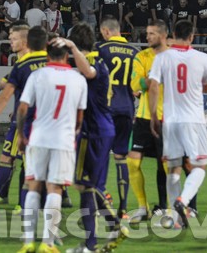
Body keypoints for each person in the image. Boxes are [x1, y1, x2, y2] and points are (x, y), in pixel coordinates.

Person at [58, 23, 125, 253]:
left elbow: (88, 72)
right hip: (101, 129)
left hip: (93, 131)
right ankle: (92, 242)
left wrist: (71, 47)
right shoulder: (93, 62)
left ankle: (110, 227)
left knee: (84, 185)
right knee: (89, 185)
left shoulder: (92, 62)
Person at [16, 36, 87, 253]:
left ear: (47, 55)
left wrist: (21, 135)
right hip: (63, 139)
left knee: (33, 185)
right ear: (67, 56)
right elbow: (80, 117)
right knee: (55, 188)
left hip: (38, 137)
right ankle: (47, 243)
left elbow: (22, 108)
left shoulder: (37, 75)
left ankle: (28, 241)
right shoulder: (78, 79)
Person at [0, 25, 48, 212]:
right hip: (46, 122)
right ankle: (3, 200)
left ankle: (16, 203)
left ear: (25, 41)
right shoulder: (49, 61)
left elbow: (4, 94)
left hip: (24, 121)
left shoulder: (23, 65)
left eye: (13, 39)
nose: (10, 42)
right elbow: (3, 84)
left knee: (14, 160)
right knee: (23, 162)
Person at [148, 19, 207, 229]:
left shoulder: (162, 57)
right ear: (192, 36)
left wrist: (153, 115)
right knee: (200, 166)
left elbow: (153, 86)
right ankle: (183, 201)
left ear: (173, 35)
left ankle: (175, 219)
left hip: (170, 120)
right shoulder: (203, 58)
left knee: (173, 167)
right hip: (194, 120)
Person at [96, 16, 138, 218]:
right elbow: (137, 87)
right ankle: (123, 209)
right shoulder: (135, 52)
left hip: (106, 109)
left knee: (100, 154)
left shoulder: (100, 49)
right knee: (121, 157)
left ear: (105, 31)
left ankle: (101, 200)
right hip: (126, 109)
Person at [127, 20, 169, 224]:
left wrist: (149, 81)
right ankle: (142, 208)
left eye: (152, 33)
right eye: (147, 33)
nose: (147, 37)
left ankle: (169, 209)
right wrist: (149, 81)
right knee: (132, 162)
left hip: (167, 118)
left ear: (163, 35)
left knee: (167, 166)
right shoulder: (141, 56)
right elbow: (135, 84)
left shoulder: (173, 58)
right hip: (144, 117)